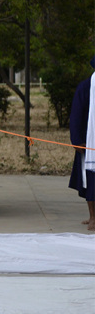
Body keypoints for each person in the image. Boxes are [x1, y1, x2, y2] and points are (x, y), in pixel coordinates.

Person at [68, 58, 95, 231]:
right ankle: (93, 217)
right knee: (91, 181)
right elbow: (76, 115)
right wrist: (77, 141)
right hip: (90, 143)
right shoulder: (86, 87)